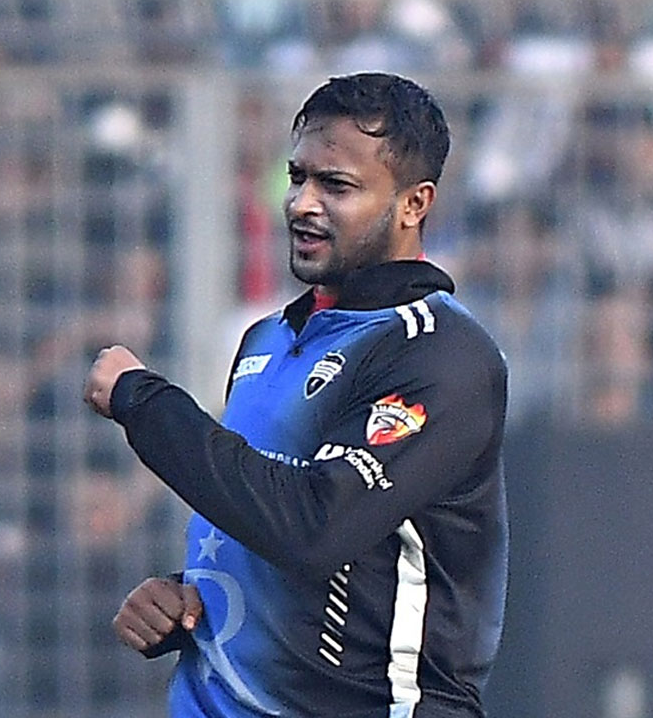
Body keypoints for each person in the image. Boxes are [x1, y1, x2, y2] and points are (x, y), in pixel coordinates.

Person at [84, 72, 509, 717]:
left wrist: (144, 404)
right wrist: (188, 598)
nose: (302, 203)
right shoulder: (266, 339)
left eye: (336, 185)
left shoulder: (441, 354)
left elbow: (316, 528)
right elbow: (263, 514)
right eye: (297, 177)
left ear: (414, 204)